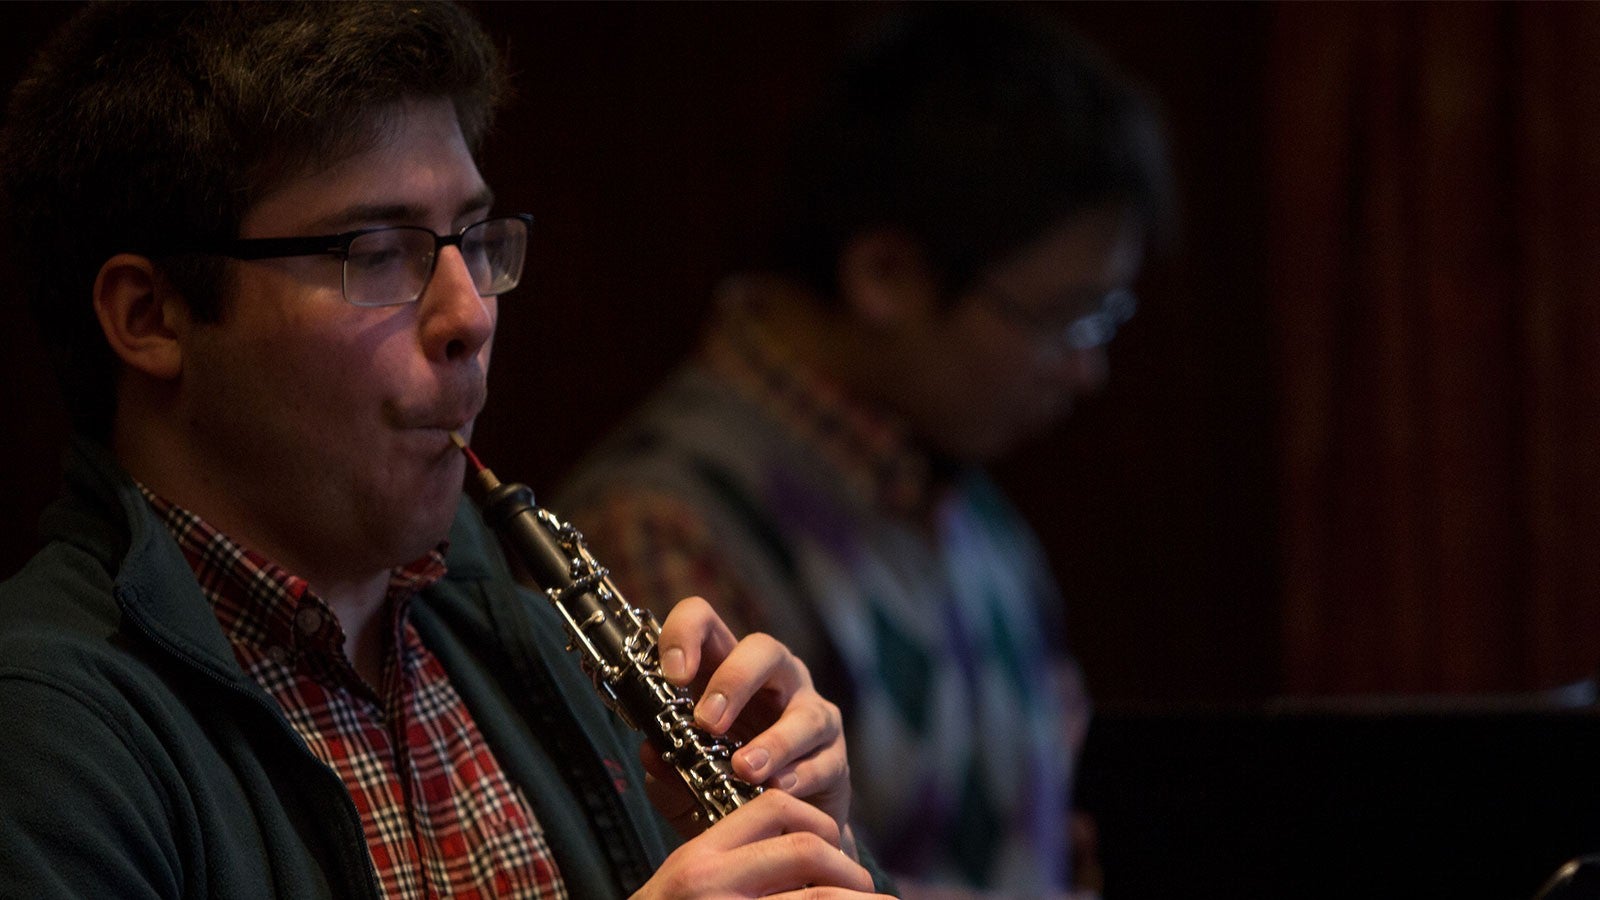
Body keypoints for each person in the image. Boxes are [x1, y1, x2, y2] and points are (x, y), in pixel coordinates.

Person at [0, 3, 894, 898]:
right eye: (380, 253)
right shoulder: (45, 733)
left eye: (473, 238)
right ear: (149, 317)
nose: (469, 315)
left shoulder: (528, 640)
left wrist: (818, 843)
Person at [554, 6, 1171, 898]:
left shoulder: (967, 503)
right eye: (1063, 317)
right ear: (886, 274)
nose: (1088, 369)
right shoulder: (667, 522)